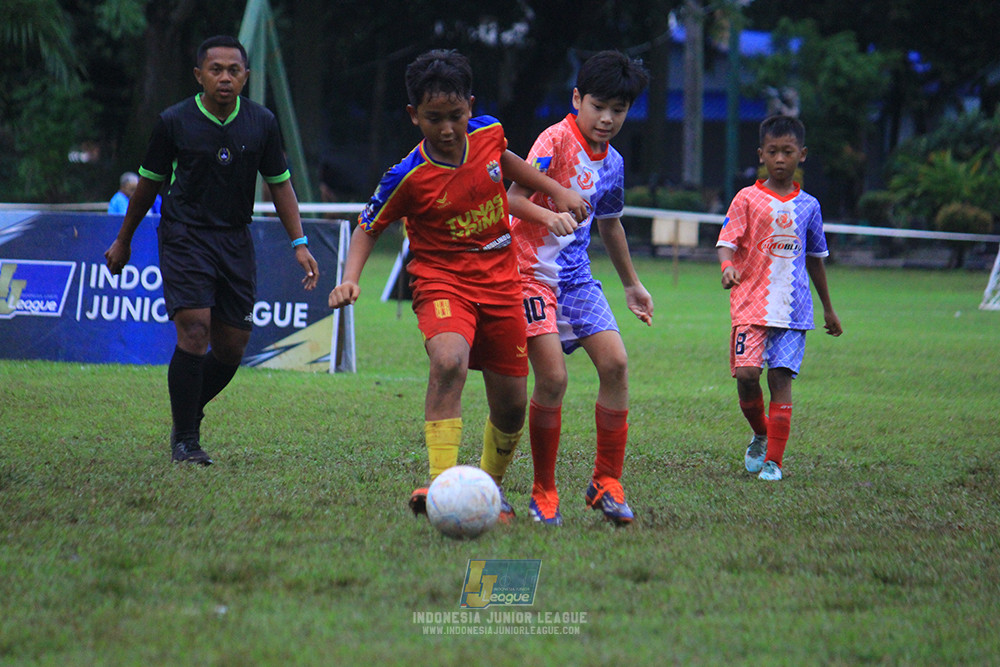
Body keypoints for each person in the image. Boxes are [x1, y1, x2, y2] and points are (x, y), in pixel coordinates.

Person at [327, 49, 587, 521]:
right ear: (413, 116)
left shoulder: (487, 132)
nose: (447, 129)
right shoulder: (406, 175)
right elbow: (368, 226)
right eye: (433, 118)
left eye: (455, 116)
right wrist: (349, 279)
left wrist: (558, 191)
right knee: (448, 360)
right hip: (441, 280)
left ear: (470, 106)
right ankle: (442, 485)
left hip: (502, 281)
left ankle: (487, 489)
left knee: (510, 405)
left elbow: (506, 162)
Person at [104, 35, 319, 465]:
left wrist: (299, 243)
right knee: (195, 331)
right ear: (199, 75)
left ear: (246, 76)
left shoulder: (261, 122)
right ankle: (186, 439)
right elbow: (147, 184)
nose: (224, 77)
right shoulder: (174, 122)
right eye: (215, 69)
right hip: (185, 235)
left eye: (233, 70)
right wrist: (123, 238)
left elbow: (280, 185)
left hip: (235, 238)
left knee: (232, 348)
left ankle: (188, 407)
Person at [507, 50, 652, 526]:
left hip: (574, 279)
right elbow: (513, 198)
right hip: (529, 273)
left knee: (615, 363)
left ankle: (605, 482)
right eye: (598, 106)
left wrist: (632, 285)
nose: (608, 119)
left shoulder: (613, 164)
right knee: (553, 379)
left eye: (619, 109)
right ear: (577, 99)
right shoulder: (555, 139)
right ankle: (543, 491)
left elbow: (610, 226)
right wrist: (551, 214)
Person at [716, 114, 842, 481]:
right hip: (750, 305)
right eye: (773, 151)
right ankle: (760, 432)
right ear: (761, 155)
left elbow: (816, 260)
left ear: (802, 154)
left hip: (793, 310)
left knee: (780, 379)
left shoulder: (810, 207)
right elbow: (726, 244)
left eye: (788, 151)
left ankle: (774, 461)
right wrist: (727, 268)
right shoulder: (747, 199)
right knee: (747, 374)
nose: (781, 159)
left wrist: (828, 309)